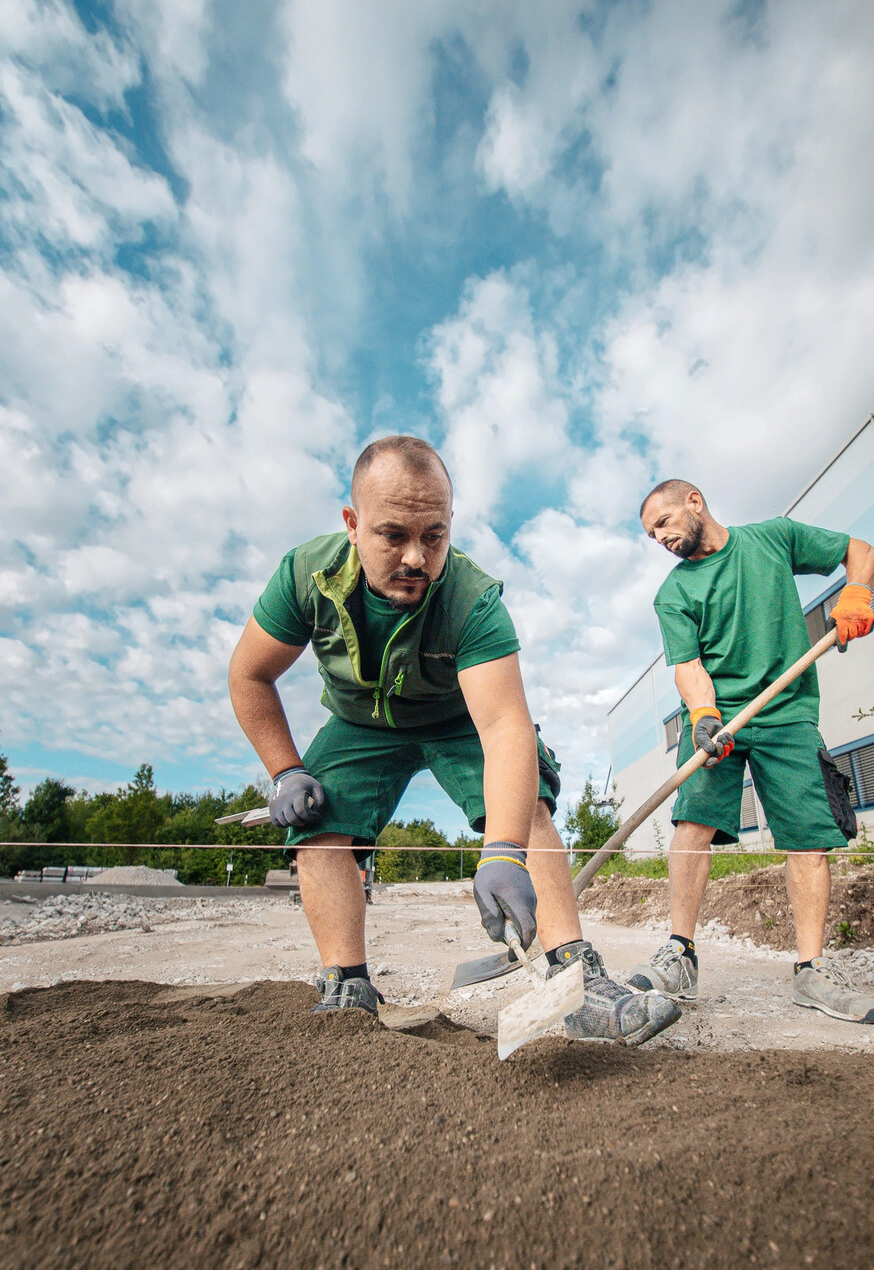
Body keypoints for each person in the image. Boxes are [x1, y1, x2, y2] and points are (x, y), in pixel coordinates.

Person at [228, 435, 680, 1045]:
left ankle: (577, 978)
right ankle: (347, 986)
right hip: (361, 722)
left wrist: (502, 848)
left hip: (456, 716)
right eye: (393, 535)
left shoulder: (473, 600)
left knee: (525, 806)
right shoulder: (305, 577)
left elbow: (505, 728)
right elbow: (249, 675)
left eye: (434, 536)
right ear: (353, 524)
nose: (416, 556)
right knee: (317, 825)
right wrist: (284, 770)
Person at [629, 479, 874, 1025]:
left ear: (694, 502)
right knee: (692, 824)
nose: (660, 537)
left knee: (809, 840)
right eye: (652, 533)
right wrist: (703, 718)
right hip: (718, 719)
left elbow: (860, 552)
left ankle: (812, 970)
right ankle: (680, 954)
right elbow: (687, 666)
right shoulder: (673, 594)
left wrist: (857, 593)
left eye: (664, 523)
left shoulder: (775, 538)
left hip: (788, 713)